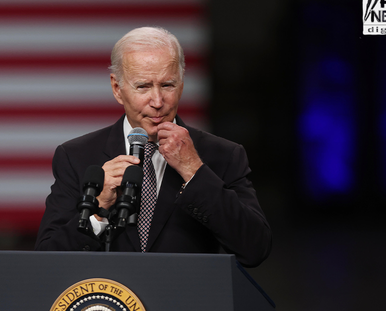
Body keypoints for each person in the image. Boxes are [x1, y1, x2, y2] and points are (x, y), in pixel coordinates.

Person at [34, 27, 271, 267]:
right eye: (143, 87)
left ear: (181, 85)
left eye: (167, 85)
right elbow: (47, 259)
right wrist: (99, 209)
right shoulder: (77, 156)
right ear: (117, 88)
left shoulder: (222, 155)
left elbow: (254, 249)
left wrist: (193, 171)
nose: (158, 102)